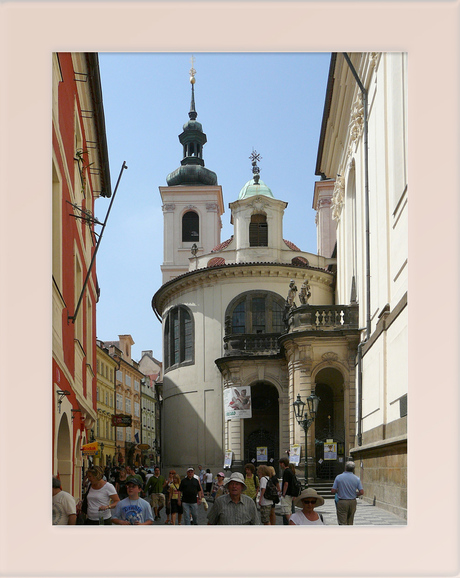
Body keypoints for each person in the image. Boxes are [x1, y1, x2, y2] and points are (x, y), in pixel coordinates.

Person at [331, 461, 364, 525]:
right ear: (353, 469)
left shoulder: (339, 477)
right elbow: (361, 492)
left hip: (342, 502)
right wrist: (355, 494)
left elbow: (333, 490)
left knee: (342, 522)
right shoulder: (357, 478)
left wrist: (339, 490)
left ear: (345, 467)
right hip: (352, 502)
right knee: (350, 522)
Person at [279, 457, 295, 525]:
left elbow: (286, 483)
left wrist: (283, 493)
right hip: (290, 493)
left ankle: (293, 525)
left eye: (280, 464)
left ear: (283, 464)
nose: (280, 465)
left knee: (287, 512)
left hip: (287, 494)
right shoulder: (290, 471)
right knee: (289, 511)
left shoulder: (286, 471)